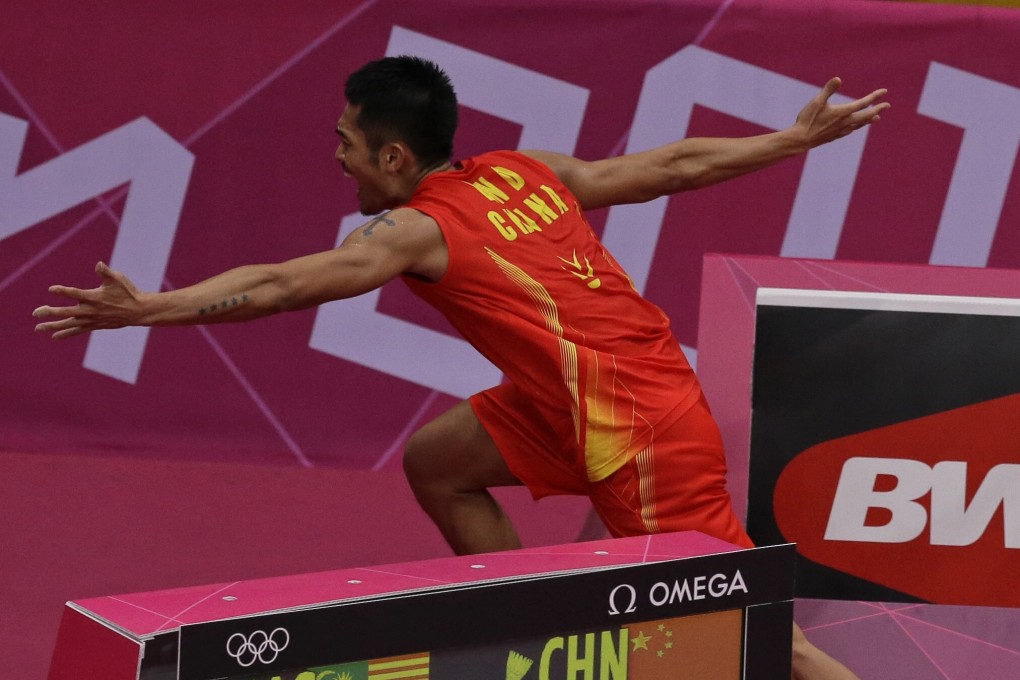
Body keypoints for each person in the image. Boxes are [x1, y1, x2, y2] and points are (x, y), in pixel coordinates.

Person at [34, 56, 888, 679]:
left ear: (394, 158)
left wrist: (154, 308)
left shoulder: (415, 230)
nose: (337, 157)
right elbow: (664, 168)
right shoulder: (523, 172)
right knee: (438, 464)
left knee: (757, 632)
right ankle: (533, 638)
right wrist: (789, 140)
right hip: (566, 403)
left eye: (346, 142)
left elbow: (287, 284)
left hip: (638, 429)